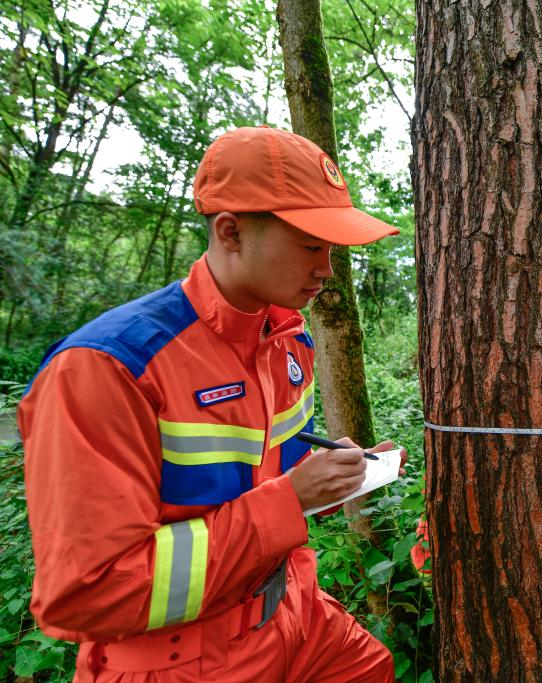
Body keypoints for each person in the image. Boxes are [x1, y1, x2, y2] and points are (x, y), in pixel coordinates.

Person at [18, 125, 403, 682]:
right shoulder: (106, 368)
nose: (326, 268)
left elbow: (263, 476)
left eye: (331, 248)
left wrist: (334, 477)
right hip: (180, 660)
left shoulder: (288, 339)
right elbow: (88, 592)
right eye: (310, 245)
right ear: (231, 232)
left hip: (295, 613)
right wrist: (290, 500)